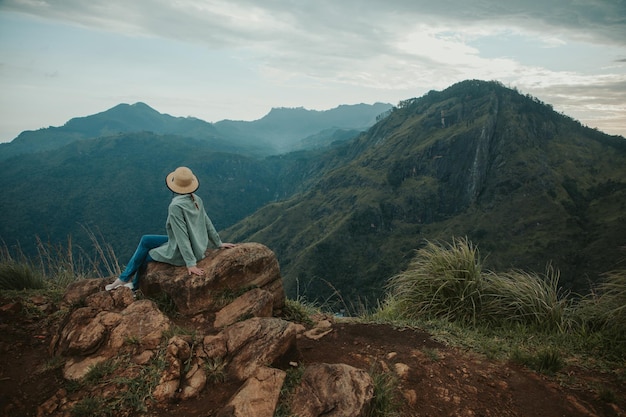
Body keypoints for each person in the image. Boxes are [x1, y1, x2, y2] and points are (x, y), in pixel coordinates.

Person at [105, 166, 235, 291]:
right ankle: (124, 279)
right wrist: (218, 243)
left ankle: (134, 286)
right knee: (146, 240)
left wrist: (190, 263)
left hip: (184, 250)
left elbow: (181, 235)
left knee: (145, 256)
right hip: (197, 244)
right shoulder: (196, 199)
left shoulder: (176, 206)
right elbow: (208, 223)